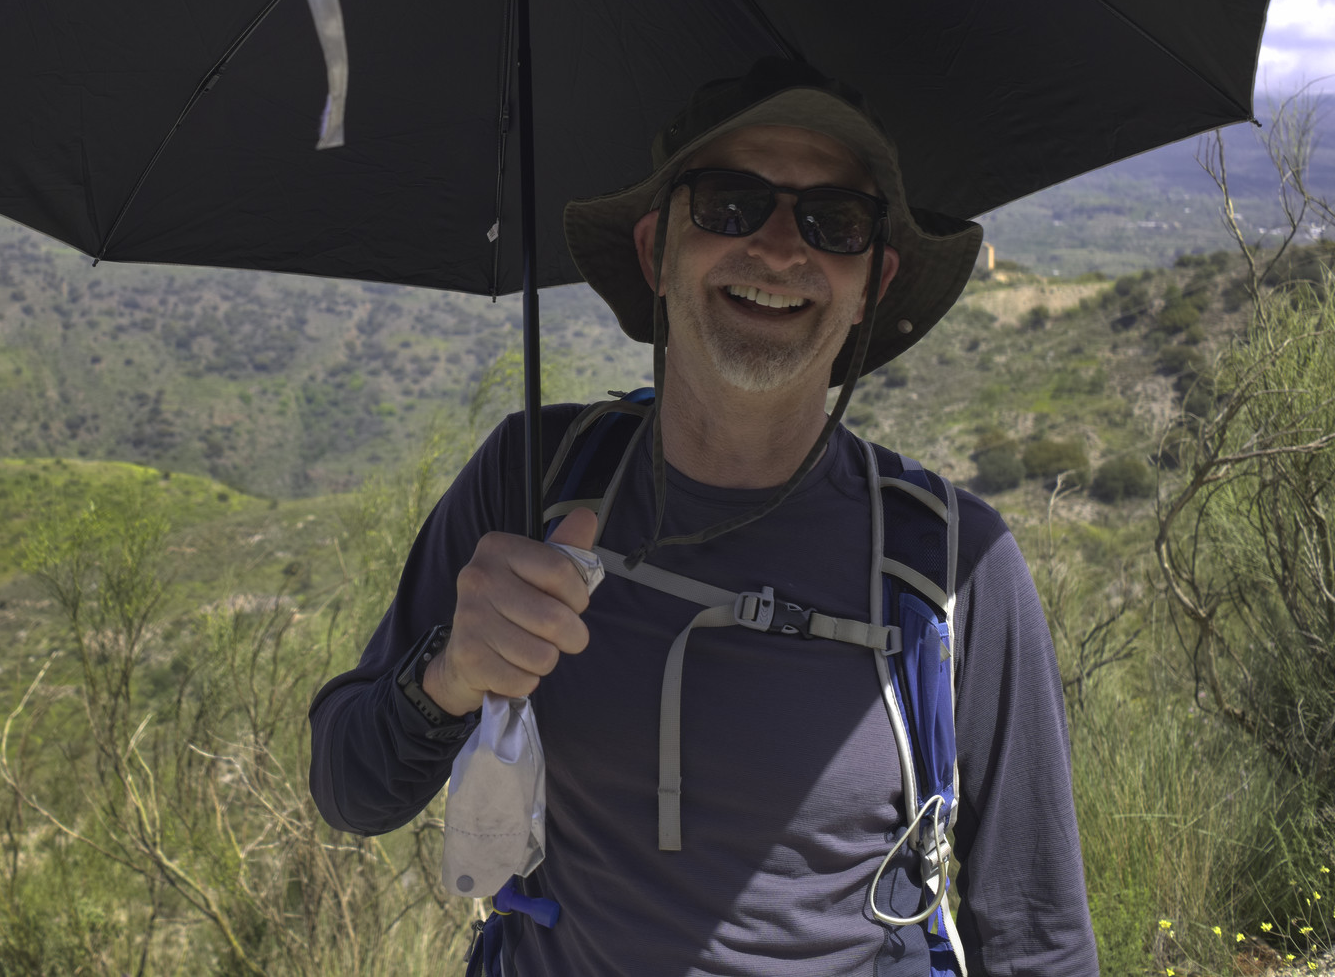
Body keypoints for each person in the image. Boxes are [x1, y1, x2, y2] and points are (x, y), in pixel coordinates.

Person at [309, 59, 1099, 975]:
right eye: (730, 204)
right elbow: (350, 789)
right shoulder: (532, 482)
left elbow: (1038, 938)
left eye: (835, 221)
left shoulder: (959, 564)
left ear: (872, 284)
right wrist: (449, 676)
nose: (779, 248)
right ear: (657, 250)